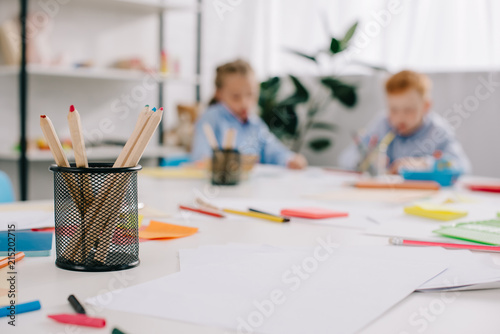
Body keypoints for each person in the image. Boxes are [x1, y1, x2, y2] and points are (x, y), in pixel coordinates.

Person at [339, 70, 471, 174]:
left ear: (426, 107)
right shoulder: (383, 123)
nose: (399, 118)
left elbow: (462, 166)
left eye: (409, 110)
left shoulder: (438, 130)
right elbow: (345, 158)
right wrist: (365, 160)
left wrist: (423, 164)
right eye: (393, 110)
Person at [191, 59, 308, 169]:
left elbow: (273, 150)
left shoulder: (255, 123)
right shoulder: (211, 118)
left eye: (250, 95)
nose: (244, 103)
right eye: (235, 97)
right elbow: (201, 158)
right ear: (219, 93)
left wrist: (290, 159)